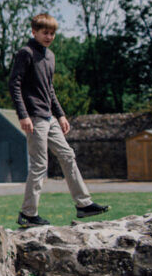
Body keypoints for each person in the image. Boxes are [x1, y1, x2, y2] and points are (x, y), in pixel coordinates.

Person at [9, 12, 109, 228]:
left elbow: (49, 90)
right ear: (34, 31)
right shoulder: (25, 53)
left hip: (49, 116)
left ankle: (83, 204)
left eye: (52, 33)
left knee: (67, 154)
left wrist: (61, 114)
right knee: (39, 164)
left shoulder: (50, 56)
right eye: (45, 32)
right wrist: (23, 115)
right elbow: (14, 85)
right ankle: (28, 213)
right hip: (34, 117)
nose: (49, 36)